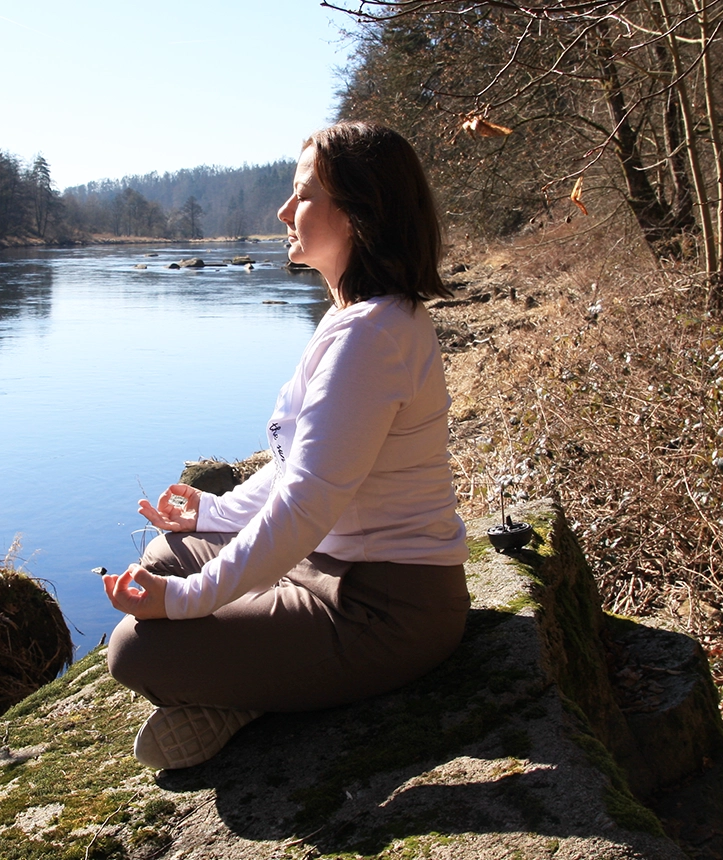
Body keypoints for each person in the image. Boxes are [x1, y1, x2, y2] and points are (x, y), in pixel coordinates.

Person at [101, 121, 471, 769]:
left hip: (381, 610)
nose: (283, 211)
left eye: (302, 195)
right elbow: (301, 467)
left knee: (135, 649)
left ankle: (258, 690)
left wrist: (189, 602)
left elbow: (305, 502)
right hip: (327, 567)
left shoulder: (370, 339)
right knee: (167, 550)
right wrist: (211, 515)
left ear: (358, 214)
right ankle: (263, 677)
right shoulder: (356, 319)